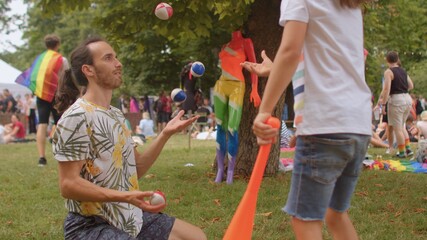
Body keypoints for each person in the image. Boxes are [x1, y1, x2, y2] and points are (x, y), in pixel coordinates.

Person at [52, 37, 206, 240]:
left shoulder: (115, 114)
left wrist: (165, 133)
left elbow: (136, 167)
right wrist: (125, 196)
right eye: (108, 58)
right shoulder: (77, 116)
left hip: (130, 216)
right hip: (91, 225)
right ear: (88, 70)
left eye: (116, 57)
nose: (118, 63)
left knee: (196, 237)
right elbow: (68, 184)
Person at [247, 1, 372, 239]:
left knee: (306, 221)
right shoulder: (350, 4)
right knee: (334, 214)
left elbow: (290, 51)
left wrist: (264, 110)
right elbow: (331, 63)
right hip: (357, 124)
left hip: (326, 124)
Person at [213, 30, 260, 184]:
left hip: (237, 86)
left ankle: (231, 171)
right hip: (221, 85)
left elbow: (254, 66)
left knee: (233, 128)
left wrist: (254, 88)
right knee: (220, 127)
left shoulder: (246, 43)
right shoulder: (225, 45)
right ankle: (220, 170)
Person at [15, 34, 69, 166]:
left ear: (46, 45)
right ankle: (63, 154)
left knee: (42, 124)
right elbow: (66, 76)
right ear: (58, 45)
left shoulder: (39, 59)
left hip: (41, 95)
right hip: (57, 95)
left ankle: (41, 158)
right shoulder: (61, 59)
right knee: (60, 123)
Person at [376, 51, 414, 158]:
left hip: (396, 100)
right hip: (407, 99)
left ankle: (402, 153)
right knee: (402, 126)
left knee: (397, 128)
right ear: (397, 59)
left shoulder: (389, 72)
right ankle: (408, 149)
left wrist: (383, 105)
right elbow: (411, 86)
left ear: (387, 60)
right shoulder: (403, 71)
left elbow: (387, 89)